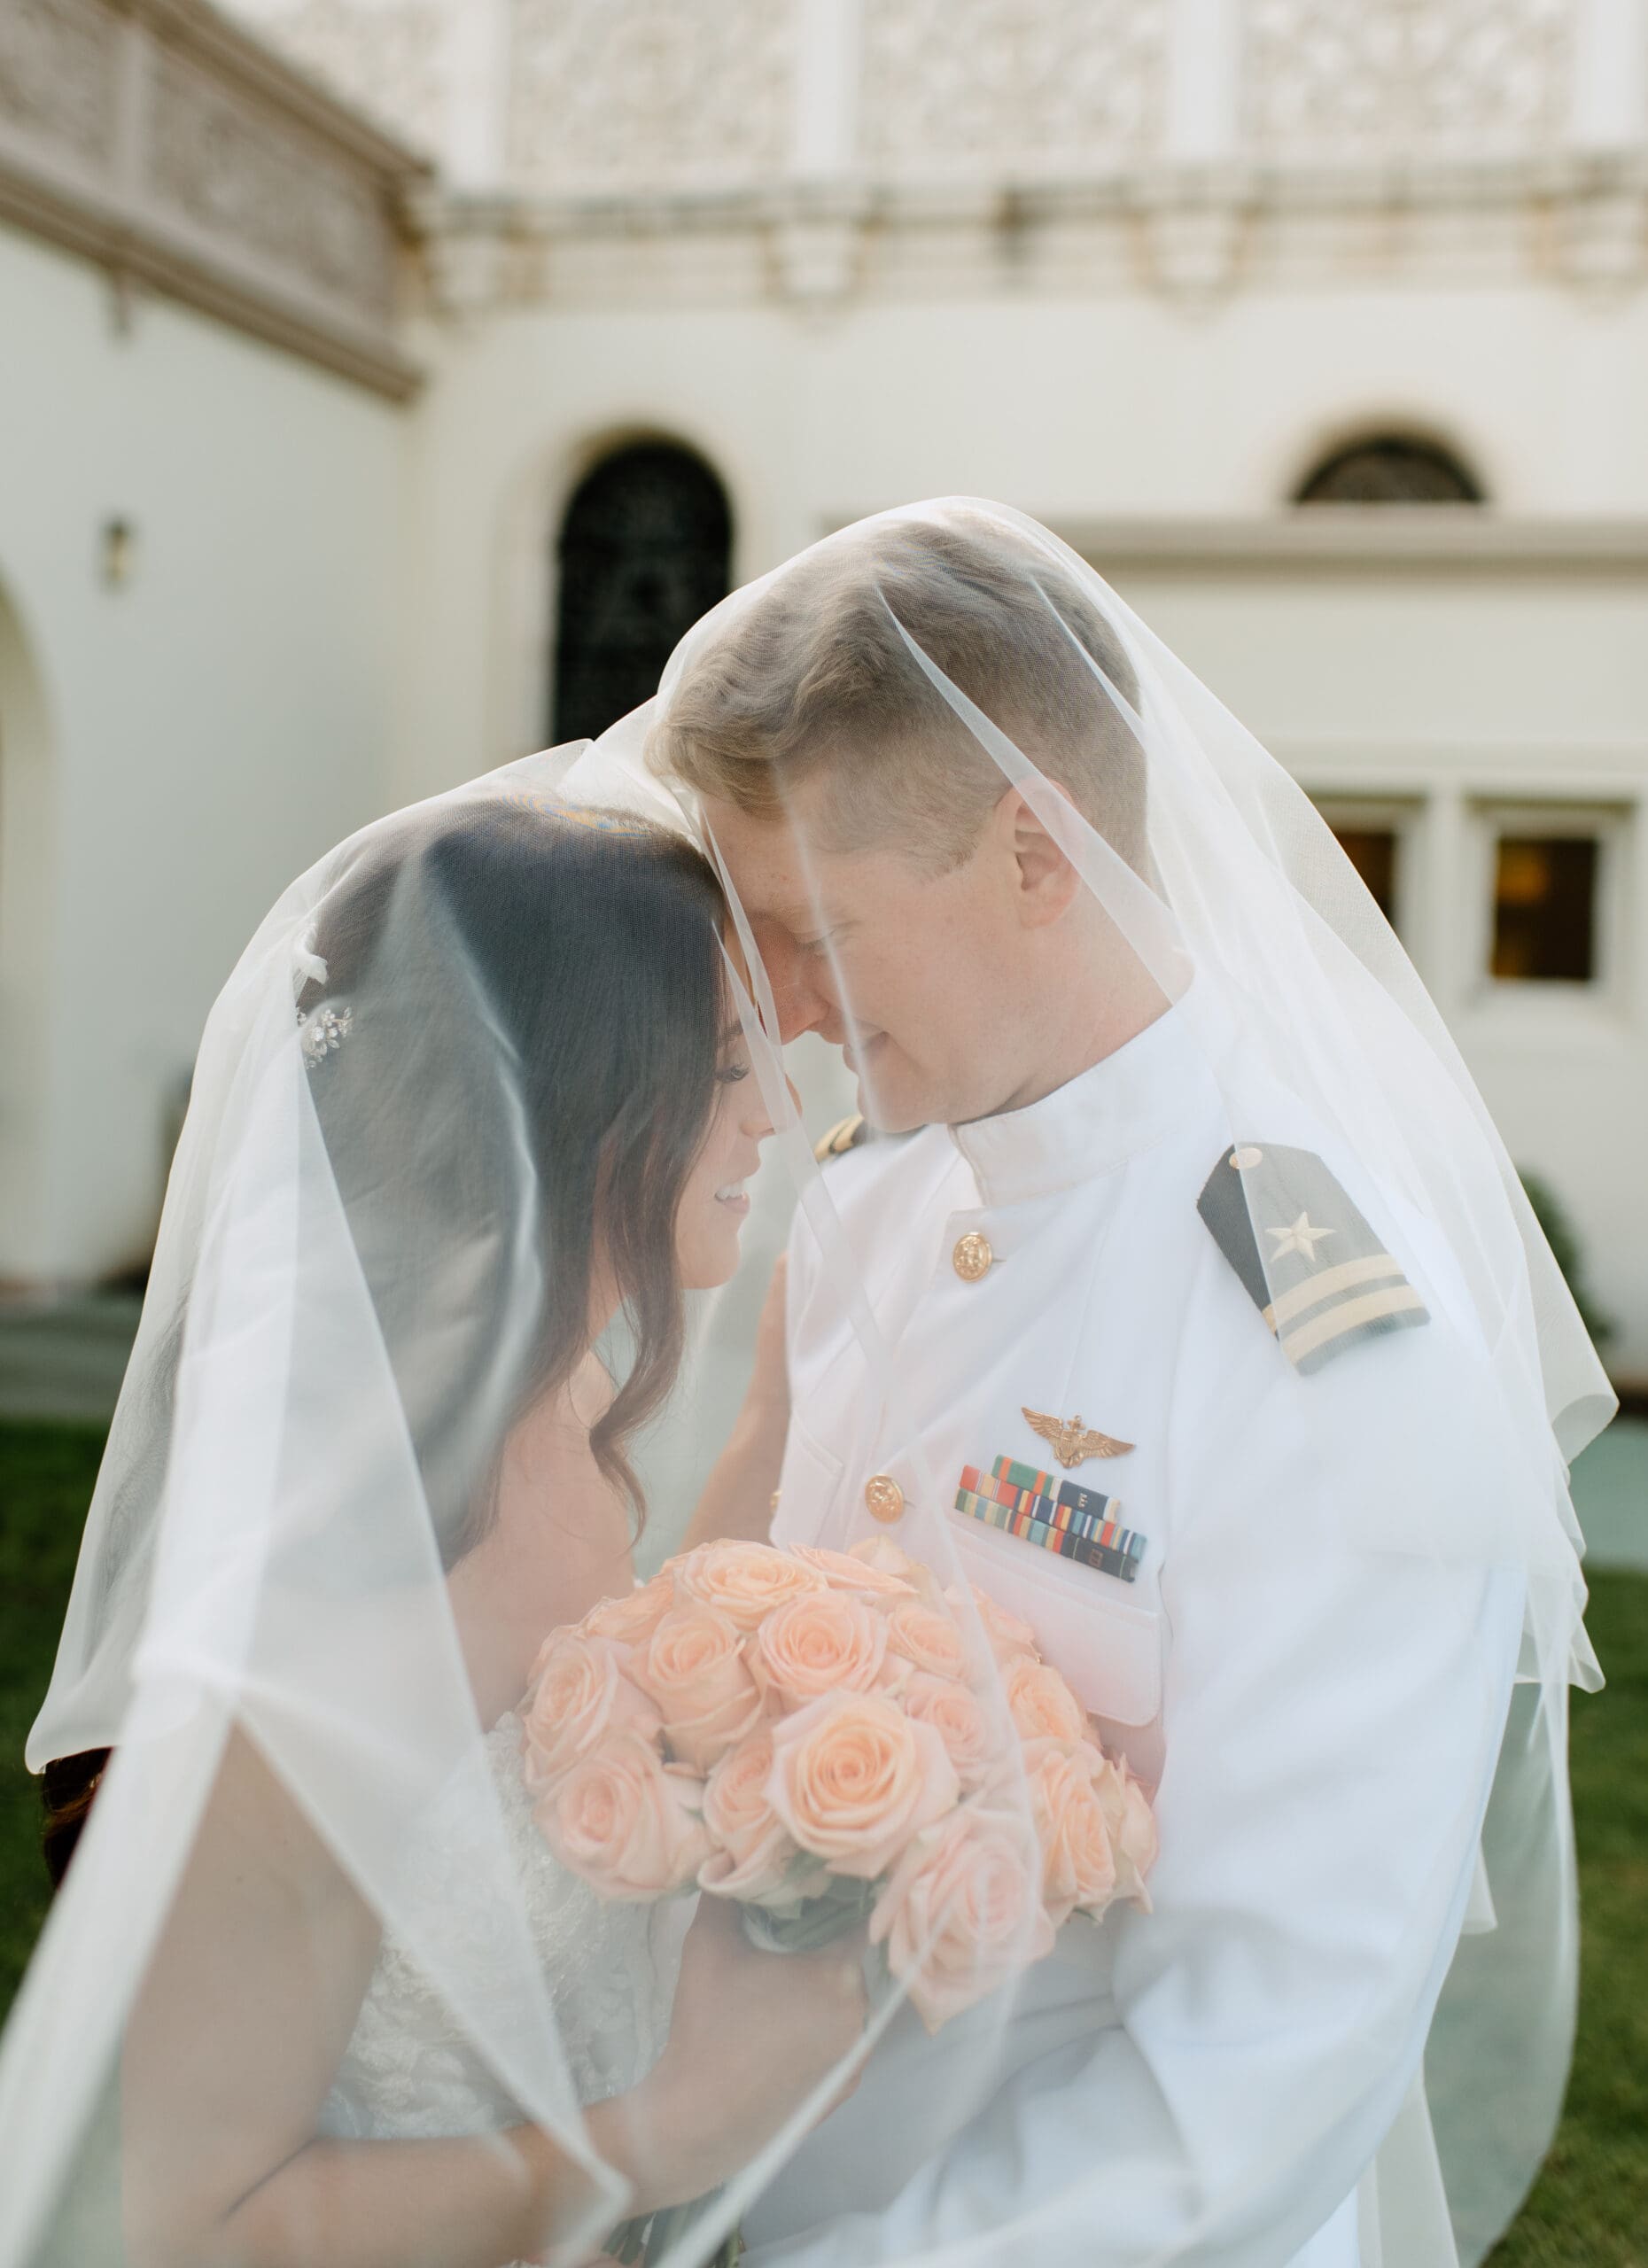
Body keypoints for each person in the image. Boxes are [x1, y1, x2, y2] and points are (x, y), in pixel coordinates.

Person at [618, 500, 1612, 2268]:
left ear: (1030, 851)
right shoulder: (874, 1191)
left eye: (813, 925)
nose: (770, 1004)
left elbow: (1271, 2032)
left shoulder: (1317, 1320)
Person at [1, 774, 863, 2268]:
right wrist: (676, 2132)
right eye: (726, 1066)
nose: (775, 1112)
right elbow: (192, 2226)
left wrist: (786, 1407)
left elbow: (627, 1686)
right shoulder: (347, 1580)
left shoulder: (557, 1437)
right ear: (578, 1106)